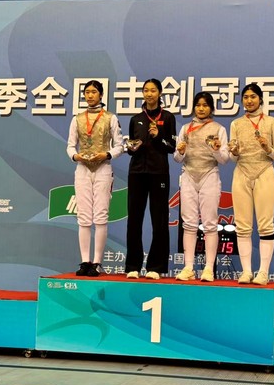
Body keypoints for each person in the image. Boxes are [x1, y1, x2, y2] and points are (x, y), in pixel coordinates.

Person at [229, 83, 274, 285]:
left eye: (253, 96)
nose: (249, 100)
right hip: (241, 174)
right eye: (245, 97)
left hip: (264, 173)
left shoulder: (272, 122)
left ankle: (263, 272)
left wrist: (267, 148)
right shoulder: (236, 124)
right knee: (242, 226)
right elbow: (233, 157)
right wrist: (234, 152)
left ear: (260, 99)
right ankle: (246, 271)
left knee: (266, 226)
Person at [66, 80, 124, 277]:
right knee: (83, 217)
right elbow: (70, 145)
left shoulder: (110, 118)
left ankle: (97, 262)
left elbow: (119, 145)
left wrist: (106, 154)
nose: (90, 95)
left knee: (100, 216)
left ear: (101, 94)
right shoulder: (77, 119)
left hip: (103, 169)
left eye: (94, 92)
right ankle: (85, 261)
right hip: (82, 169)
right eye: (87, 92)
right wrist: (76, 156)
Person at [173, 92, 229, 282]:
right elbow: (177, 158)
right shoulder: (185, 128)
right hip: (188, 175)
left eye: (205, 105)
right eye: (198, 105)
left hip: (209, 175)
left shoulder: (219, 129)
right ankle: (188, 268)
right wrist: (180, 151)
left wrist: (216, 150)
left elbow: (224, 159)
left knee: (210, 224)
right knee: (189, 223)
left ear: (211, 108)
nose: (201, 108)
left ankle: (208, 269)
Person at [125, 78, 177, 280]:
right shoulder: (136, 119)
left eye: (153, 90)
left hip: (159, 173)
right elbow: (131, 147)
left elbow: (171, 147)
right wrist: (131, 147)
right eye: (146, 90)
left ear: (160, 93)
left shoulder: (168, 117)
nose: (149, 94)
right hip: (137, 173)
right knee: (134, 220)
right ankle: (133, 266)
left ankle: (156, 266)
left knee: (160, 220)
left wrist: (158, 136)